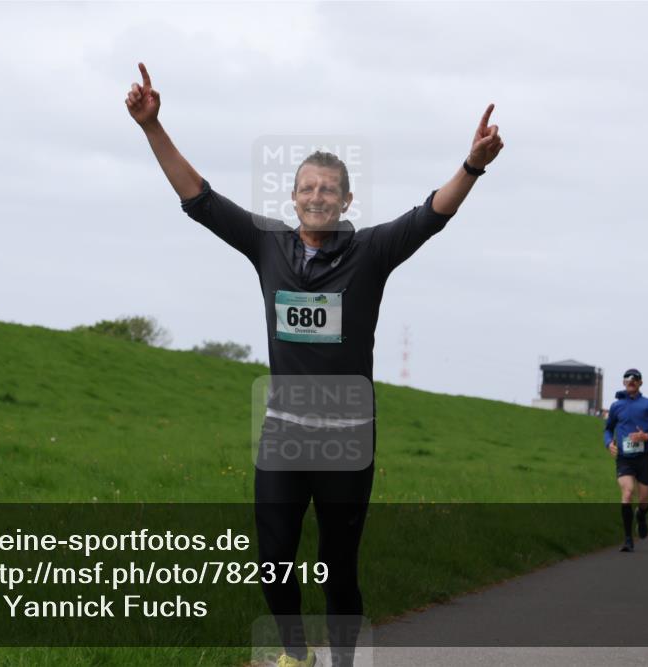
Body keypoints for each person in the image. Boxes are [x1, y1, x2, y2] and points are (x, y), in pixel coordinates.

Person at [125, 62, 504, 667]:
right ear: (294, 196)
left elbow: (432, 213)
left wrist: (473, 166)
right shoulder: (267, 244)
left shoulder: (372, 251)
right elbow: (198, 196)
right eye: (308, 188)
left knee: (339, 567)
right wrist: (153, 127)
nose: (318, 196)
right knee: (272, 558)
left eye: (330, 189)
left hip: (347, 443)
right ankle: (296, 655)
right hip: (284, 436)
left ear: (346, 199)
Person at [603, 369, 648, 553]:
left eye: (635, 379)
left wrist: (647, 436)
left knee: (644, 499)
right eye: (627, 378)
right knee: (627, 492)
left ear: (640, 383)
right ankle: (628, 539)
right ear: (623, 382)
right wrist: (609, 444)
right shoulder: (616, 406)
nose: (631, 381)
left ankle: (641, 516)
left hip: (645, 457)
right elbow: (607, 429)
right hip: (624, 458)